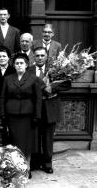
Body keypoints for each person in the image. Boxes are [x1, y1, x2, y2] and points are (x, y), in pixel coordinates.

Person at [28, 46, 71, 174]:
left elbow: (67, 84)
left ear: (46, 56)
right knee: (35, 136)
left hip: (49, 108)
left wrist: (52, 87)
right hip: (35, 108)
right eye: (37, 56)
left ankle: (47, 163)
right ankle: (35, 162)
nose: (40, 58)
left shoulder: (55, 70)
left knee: (47, 138)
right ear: (33, 57)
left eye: (42, 55)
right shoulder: (28, 70)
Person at [0, 53, 42, 178]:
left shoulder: (33, 78)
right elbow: (2, 97)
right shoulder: (8, 79)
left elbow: (38, 99)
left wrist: (37, 116)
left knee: (27, 144)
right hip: (11, 116)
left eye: (21, 63)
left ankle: (25, 170)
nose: (19, 65)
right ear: (14, 65)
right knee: (14, 144)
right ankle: (14, 170)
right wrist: (3, 114)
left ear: (27, 65)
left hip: (28, 116)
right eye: (17, 63)